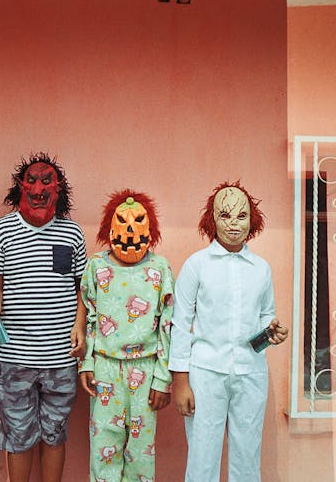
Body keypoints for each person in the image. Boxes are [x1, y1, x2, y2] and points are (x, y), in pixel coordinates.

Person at [169, 181, 289, 482]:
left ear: (252, 220)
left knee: (247, 455)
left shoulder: (261, 268)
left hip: (251, 373)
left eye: (241, 216)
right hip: (205, 373)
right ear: (212, 219)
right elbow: (180, 324)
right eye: (225, 215)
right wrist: (180, 383)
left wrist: (270, 333)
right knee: (202, 455)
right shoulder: (196, 265)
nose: (234, 223)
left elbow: (265, 317)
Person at [0, 152, 87, 482]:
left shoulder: (72, 234)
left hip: (61, 356)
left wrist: (80, 326)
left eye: (46, 181)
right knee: (18, 434)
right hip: (15, 355)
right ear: (20, 187)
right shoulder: (1, 232)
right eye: (32, 181)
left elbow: (84, 288)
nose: (38, 187)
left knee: (55, 433)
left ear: (59, 190)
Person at [78, 190, 174, 482]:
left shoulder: (160, 268)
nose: (129, 230)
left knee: (140, 454)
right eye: (122, 221)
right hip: (106, 367)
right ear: (110, 227)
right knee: (103, 448)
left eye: (138, 222)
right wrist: (87, 363)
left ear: (150, 229)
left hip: (144, 369)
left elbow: (168, 326)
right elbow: (89, 317)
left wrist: (163, 378)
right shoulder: (96, 266)